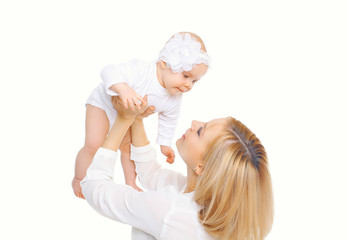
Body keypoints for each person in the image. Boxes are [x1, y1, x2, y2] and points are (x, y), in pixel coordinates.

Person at [81, 96, 274, 240]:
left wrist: (122, 122)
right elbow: (152, 175)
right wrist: (136, 118)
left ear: (202, 167)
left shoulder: (171, 210)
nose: (194, 123)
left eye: (200, 131)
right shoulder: (213, 205)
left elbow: (94, 187)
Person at [73, 32, 210, 197]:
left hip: (129, 115)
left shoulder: (175, 96)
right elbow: (108, 71)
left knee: (128, 149)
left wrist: (164, 143)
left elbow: (170, 118)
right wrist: (123, 88)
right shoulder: (143, 71)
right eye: (186, 76)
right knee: (93, 144)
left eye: (194, 81)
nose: (188, 85)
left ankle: (131, 183)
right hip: (103, 105)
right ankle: (79, 178)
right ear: (165, 62)